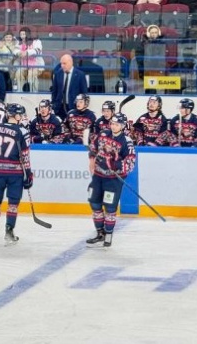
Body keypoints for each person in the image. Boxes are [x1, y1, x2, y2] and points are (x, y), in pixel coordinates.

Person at [0, 103, 33, 245]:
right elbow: (25, 156)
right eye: (21, 114)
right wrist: (28, 174)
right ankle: (9, 232)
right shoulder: (22, 131)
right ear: (16, 116)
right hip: (15, 174)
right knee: (13, 204)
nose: (22, 117)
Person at [86, 112, 136, 247]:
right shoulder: (103, 134)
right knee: (94, 203)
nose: (113, 126)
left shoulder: (127, 141)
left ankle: (108, 234)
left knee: (109, 207)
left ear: (123, 126)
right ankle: (100, 232)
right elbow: (93, 146)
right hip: (98, 176)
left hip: (113, 180)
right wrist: (92, 159)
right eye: (112, 124)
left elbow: (130, 163)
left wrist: (115, 165)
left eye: (117, 124)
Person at [51, 53, 88, 119]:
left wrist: (81, 107)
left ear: (71, 62)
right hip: (59, 108)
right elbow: (54, 91)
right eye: (61, 63)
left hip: (74, 108)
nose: (62, 66)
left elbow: (84, 93)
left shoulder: (80, 75)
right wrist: (54, 104)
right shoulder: (58, 74)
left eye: (64, 63)